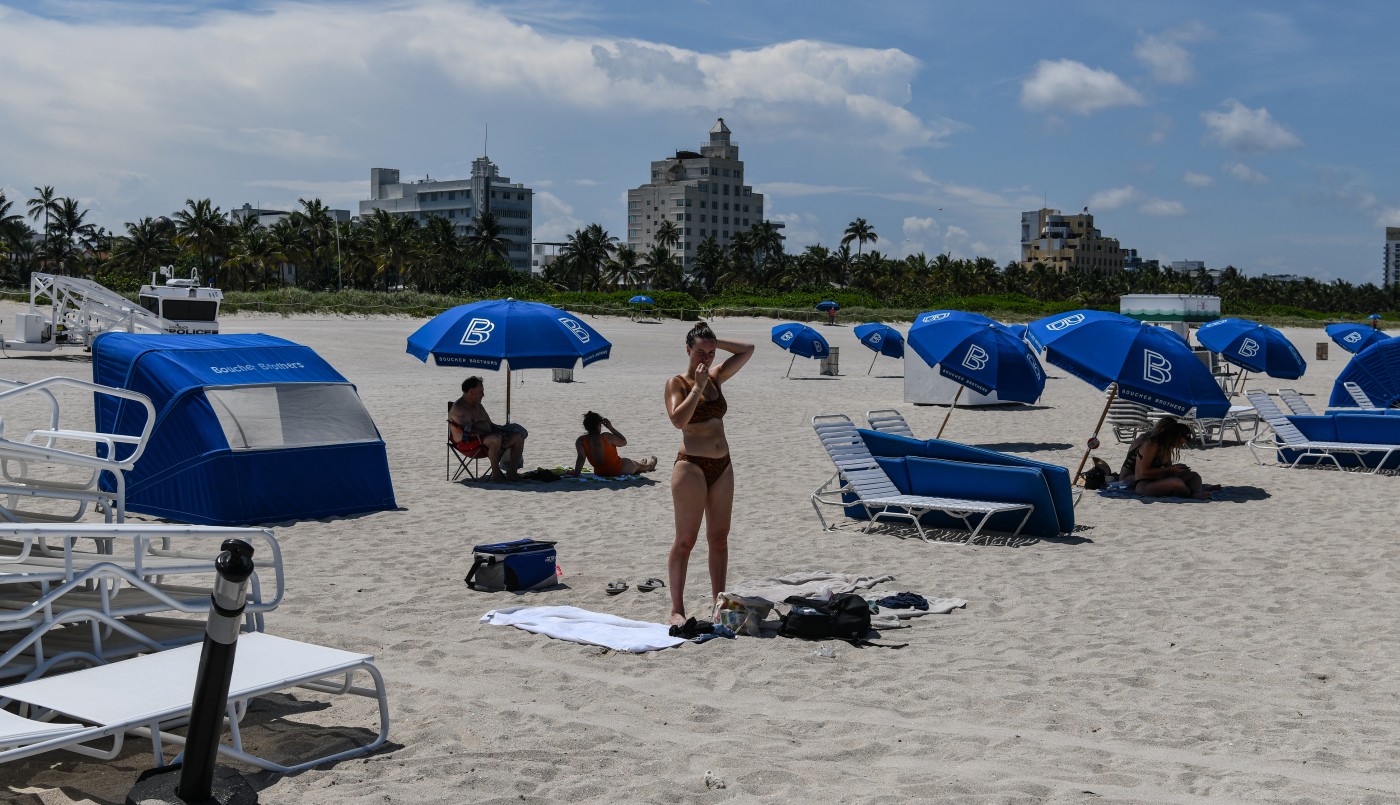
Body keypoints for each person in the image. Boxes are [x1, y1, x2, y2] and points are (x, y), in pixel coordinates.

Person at [664, 321, 754, 626]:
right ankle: (677, 607)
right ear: (687, 350)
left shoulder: (716, 377)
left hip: (722, 465)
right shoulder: (677, 383)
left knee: (719, 538)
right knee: (685, 541)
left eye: (710, 352)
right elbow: (678, 420)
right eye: (700, 351)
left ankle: (719, 603)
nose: (706, 357)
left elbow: (748, 350)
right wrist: (698, 386)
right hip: (691, 467)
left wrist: (715, 342)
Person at [1119, 416, 1220, 499]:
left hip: (1157, 479)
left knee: (1194, 476)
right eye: (1179, 442)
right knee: (1177, 483)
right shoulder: (1151, 444)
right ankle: (1192, 493)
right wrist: (1170, 469)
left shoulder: (1165, 447)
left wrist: (1175, 469)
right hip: (1143, 483)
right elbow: (1144, 471)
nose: (1179, 445)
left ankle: (1195, 491)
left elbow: (1165, 470)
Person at [449, 376, 526, 483]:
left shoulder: (478, 406)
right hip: (467, 443)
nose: (483, 394)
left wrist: (501, 432)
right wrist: (491, 433)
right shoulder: (459, 408)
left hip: (486, 438)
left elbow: (490, 424)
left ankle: (512, 473)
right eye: (481, 391)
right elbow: (467, 433)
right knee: (495, 438)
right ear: (471, 392)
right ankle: (496, 474)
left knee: (518, 437)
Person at [570, 411, 657, 477]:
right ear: (598, 425)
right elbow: (623, 442)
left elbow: (581, 459)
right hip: (617, 470)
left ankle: (640, 464)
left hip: (600, 473)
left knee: (633, 464)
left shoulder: (580, 440)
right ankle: (649, 466)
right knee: (631, 463)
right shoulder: (606, 437)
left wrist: (576, 474)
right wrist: (611, 427)